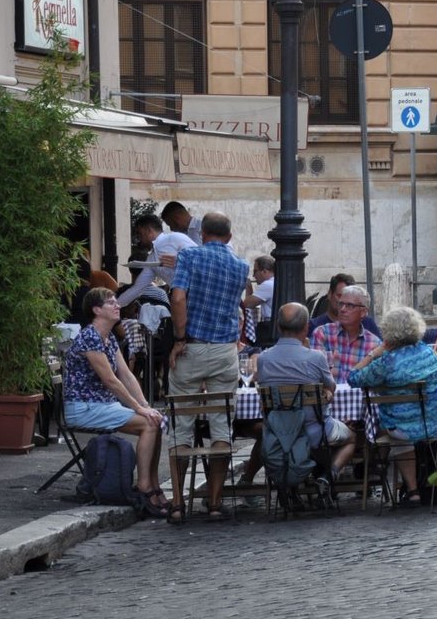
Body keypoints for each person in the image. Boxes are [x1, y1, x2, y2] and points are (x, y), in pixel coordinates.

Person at [167, 211, 249, 522]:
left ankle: (177, 503)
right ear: (229, 236)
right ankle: (214, 502)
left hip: (192, 346)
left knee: (182, 425)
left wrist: (178, 337)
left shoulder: (190, 256)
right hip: (225, 352)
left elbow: (177, 298)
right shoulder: (240, 266)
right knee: (221, 424)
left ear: (202, 235)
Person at [64, 287, 167, 516]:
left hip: (102, 405)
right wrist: (139, 408)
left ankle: (153, 484)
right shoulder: (90, 336)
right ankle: (144, 487)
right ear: (96, 310)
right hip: (84, 407)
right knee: (148, 424)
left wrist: (146, 406)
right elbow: (110, 381)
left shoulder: (108, 336)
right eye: (111, 303)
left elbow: (126, 375)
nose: (117, 305)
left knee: (156, 420)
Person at [351, 305, 437, 506]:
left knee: (395, 433)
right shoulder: (429, 353)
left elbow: (353, 378)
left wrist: (375, 352)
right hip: (435, 422)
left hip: (403, 430)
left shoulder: (387, 362)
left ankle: (412, 490)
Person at [249, 302, 357, 479]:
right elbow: (331, 387)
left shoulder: (264, 359)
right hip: (314, 431)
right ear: (306, 328)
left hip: (278, 432)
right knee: (352, 436)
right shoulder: (315, 357)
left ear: (278, 326)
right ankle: (329, 475)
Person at [117, 214, 196, 309]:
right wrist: (113, 306)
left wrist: (181, 261)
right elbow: (137, 289)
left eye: (140, 234)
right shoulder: (152, 259)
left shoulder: (175, 238)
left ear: (149, 231)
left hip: (202, 291)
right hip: (185, 300)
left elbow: (202, 258)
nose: (139, 238)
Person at [311, 283, 381, 383]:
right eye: (341, 304)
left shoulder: (374, 344)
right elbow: (313, 375)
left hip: (361, 398)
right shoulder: (322, 334)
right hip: (328, 398)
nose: (343, 309)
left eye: (350, 306)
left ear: (363, 312)